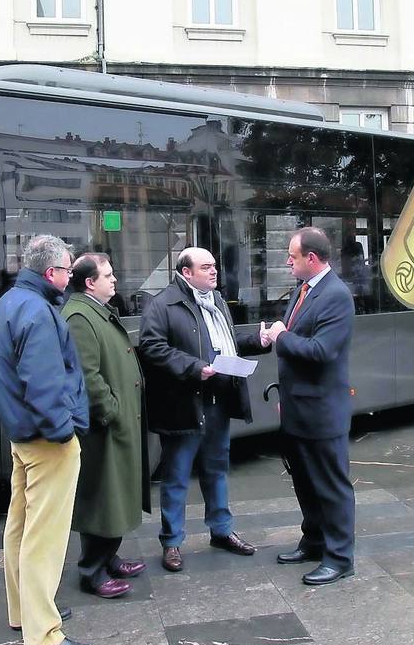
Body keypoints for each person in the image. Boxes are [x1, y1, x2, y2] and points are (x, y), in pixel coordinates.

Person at [0, 234, 91, 645]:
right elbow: (44, 382)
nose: (70, 278)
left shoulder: (9, 303)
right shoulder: (39, 311)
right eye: (68, 270)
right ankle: (43, 634)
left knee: (20, 525)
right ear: (52, 272)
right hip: (48, 440)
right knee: (44, 537)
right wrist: (64, 432)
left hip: (21, 435)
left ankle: (24, 612)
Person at [139, 246, 271, 573]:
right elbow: (152, 347)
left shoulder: (217, 301)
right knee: (177, 476)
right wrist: (193, 367)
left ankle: (222, 531)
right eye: (206, 267)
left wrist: (259, 339)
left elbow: (227, 342)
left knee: (217, 470)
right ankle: (171, 542)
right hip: (184, 405)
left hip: (219, 402)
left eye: (214, 266)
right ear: (186, 272)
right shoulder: (163, 305)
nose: (214, 272)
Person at [264, 227, 357, 586]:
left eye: (293, 255)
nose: (288, 261)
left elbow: (321, 351)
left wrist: (281, 336)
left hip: (322, 413)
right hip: (297, 409)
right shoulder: (304, 290)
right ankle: (315, 540)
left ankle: (340, 557)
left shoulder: (336, 296)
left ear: (312, 259)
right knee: (304, 482)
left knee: (331, 486)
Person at [61, 253, 149, 598]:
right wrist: (111, 411)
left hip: (117, 423)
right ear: (89, 282)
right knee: (102, 497)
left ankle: (110, 557)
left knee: (116, 495)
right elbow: (88, 375)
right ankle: (92, 571)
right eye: (108, 275)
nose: (114, 280)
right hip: (105, 427)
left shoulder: (95, 310)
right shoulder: (81, 316)